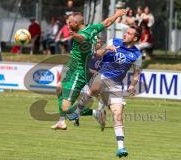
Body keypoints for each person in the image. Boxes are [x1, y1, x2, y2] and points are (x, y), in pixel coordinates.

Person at [67, 26, 142, 158]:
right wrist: (107, 48)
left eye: (129, 33)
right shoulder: (114, 41)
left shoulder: (137, 55)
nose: (125, 34)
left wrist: (132, 85)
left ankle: (121, 148)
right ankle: (77, 112)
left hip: (116, 85)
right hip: (102, 75)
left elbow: (136, 74)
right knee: (95, 86)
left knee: (118, 116)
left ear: (135, 38)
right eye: (126, 32)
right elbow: (97, 54)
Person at [50, 9, 127, 130]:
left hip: (78, 72)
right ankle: (61, 121)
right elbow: (107, 22)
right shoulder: (92, 28)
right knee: (59, 88)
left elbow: (82, 38)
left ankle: (95, 113)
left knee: (66, 107)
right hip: (76, 69)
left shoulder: (81, 35)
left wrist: (75, 36)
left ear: (76, 23)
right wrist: (117, 14)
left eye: (69, 23)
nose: (68, 25)